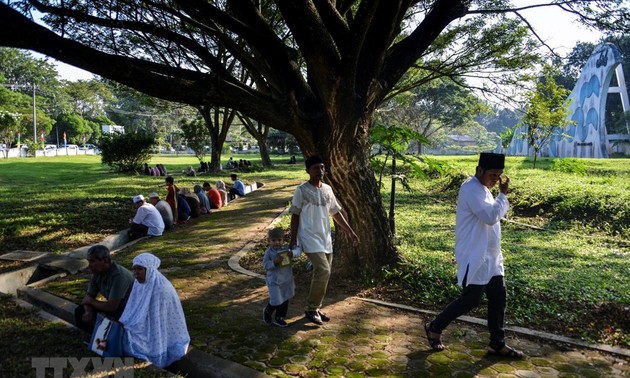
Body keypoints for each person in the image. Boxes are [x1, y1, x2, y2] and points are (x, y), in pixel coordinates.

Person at [424, 152, 523, 358]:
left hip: (492, 256)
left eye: (499, 175)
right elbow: (490, 216)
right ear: (479, 170)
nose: (495, 179)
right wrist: (503, 195)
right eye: (492, 174)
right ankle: (435, 326)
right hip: (475, 254)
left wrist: (499, 196)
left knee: (499, 297)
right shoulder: (471, 189)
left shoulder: (484, 189)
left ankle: (497, 343)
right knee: (470, 300)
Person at [289, 155, 360, 325]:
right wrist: (293, 240)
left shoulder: (327, 189)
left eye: (322, 167)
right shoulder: (301, 190)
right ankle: (311, 309)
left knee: (323, 274)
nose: (319, 171)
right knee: (323, 271)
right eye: (315, 168)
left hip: (325, 237)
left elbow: (336, 213)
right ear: (308, 171)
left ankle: (316, 307)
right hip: (308, 237)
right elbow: (295, 215)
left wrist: (350, 232)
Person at [119, 253, 190, 368]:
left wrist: (133, 327)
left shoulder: (160, 289)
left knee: (131, 339)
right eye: (134, 269)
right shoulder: (139, 283)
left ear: (149, 270)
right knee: (122, 331)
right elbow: (133, 307)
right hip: (144, 322)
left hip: (156, 329)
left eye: (140, 269)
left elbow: (156, 320)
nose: (136, 273)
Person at [74, 245, 134, 333]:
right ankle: (92, 337)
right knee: (80, 311)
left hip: (127, 311)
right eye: (89, 261)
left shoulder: (119, 276)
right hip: (114, 307)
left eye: (92, 261)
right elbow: (88, 297)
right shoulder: (97, 273)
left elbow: (111, 307)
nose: (89, 265)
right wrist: (88, 311)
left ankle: (104, 340)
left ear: (105, 260)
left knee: (107, 319)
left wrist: (91, 301)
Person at [262, 227, 294, 328]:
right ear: (269, 241)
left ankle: (279, 318)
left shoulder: (286, 250)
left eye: (279, 240)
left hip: (286, 280)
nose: (277, 243)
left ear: (283, 240)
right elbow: (265, 265)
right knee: (276, 299)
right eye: (273, 240)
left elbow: (296, 250)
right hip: (274, 281)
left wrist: (292, 253)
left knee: (285, 298)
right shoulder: (269, 252)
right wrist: (274, 262)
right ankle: (268, 311)